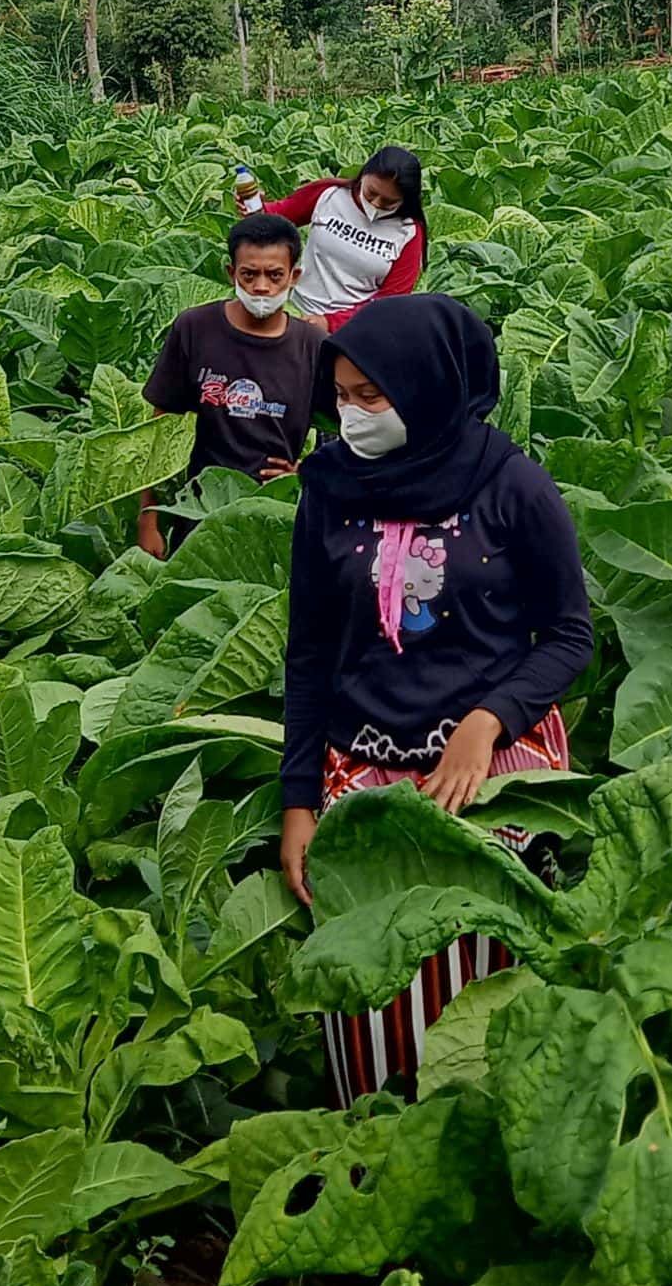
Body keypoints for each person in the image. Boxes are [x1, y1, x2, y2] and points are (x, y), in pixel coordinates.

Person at [276, 295, 593, 1101]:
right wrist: (298, 801)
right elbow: (309, 653)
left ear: (428, 387)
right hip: (363, 765)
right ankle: (375, 1150)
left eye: (372, 398)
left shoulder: (511, 484)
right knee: (370, 993)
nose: (353, 416)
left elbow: (567, 636)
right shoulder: (329, 489)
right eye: (342, 396)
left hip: (487, 763)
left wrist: (487, 724)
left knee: (487, 995)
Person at [137, 209, 325, 557]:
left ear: (295, 276)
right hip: (197, 510)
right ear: (231, 273)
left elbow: (347, 427)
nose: (262, 287)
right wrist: (148, 521)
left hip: (276, 511)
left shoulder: (312, 345)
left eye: (274, 274)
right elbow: (159, 430)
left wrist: (307, 472)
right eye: (249, 274)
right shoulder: (195, 328)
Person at [244, 146, 428, 329]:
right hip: (295, 311)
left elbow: (390, 302)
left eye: (388, 202)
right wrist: (255, 208)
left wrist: (330, 322)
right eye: (371, 193)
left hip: (355, 330)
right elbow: (277, 217)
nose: (375, 204)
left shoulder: (409, 232)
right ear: (363, 175)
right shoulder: (330, 194)